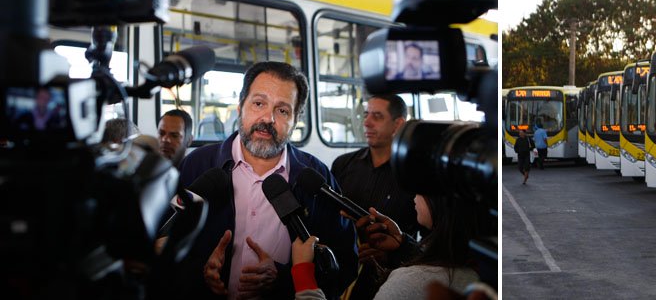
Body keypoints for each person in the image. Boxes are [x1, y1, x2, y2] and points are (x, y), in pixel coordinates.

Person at [175, 61, 358, 299]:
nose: (268, 118)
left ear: (296, 119)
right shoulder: (196, 166)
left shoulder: (316, 178)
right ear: (240, 106)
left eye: (282, 110)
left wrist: (284, 279)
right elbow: (162, 247)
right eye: (259, 103)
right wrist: (197, 272)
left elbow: (344, 263)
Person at [293, 193, 481, 300]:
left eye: (422, 184)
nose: (414, 193)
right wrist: (404, 248)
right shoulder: (479, 264)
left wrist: (303, 276)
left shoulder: (412, 282)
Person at [330, 94, 420, 300]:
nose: (367, 122)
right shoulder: (343, 165)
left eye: (377, 116)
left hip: (390, 283)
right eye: (366, 115)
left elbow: (430, 242)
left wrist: (392, 254)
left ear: (398, 125)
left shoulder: (413, 176)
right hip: (339, 279)